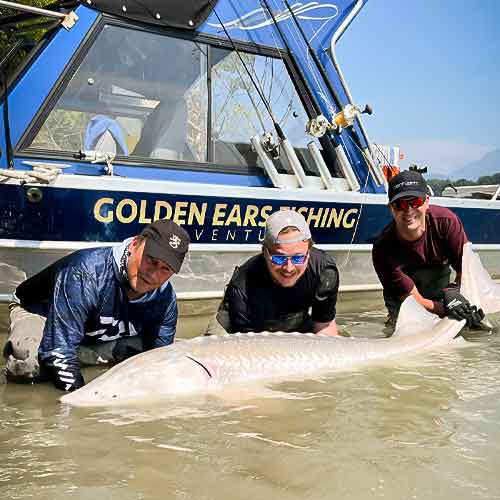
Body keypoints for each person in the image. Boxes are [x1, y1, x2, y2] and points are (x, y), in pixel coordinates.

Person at [3, 219, 190, 391]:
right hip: (40, 312)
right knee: (29, 364)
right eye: (151, 260)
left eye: (165, 269)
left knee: (150, 356)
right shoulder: (85, 273)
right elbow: (57, 351)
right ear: (135, 244)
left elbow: (157, 360)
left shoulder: (166, 302)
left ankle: (81, 353)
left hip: (94, 329)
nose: (153, 274)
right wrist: (82, 409)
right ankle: (77, 353)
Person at [372, 170, 484, 328]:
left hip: (441, 292)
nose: (408, 210)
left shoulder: (446, 223)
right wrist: (447, 311)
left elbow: (466, 271)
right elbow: (415, 301)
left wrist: (455, 295)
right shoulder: (382, 249)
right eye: (400, 204)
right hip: (406, 303)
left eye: (415, 201)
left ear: (426, 202)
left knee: (475, 327)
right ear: (391, 208)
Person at [212, 210, 340, 336]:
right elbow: (247, 344)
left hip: (295, 321)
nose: (289, 268)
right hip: (242, 329)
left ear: (308, 252)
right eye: (279, 258)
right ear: (265, 253)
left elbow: (324, 325)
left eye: (298, 258)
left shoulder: (324, 271)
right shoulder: (242, 287)